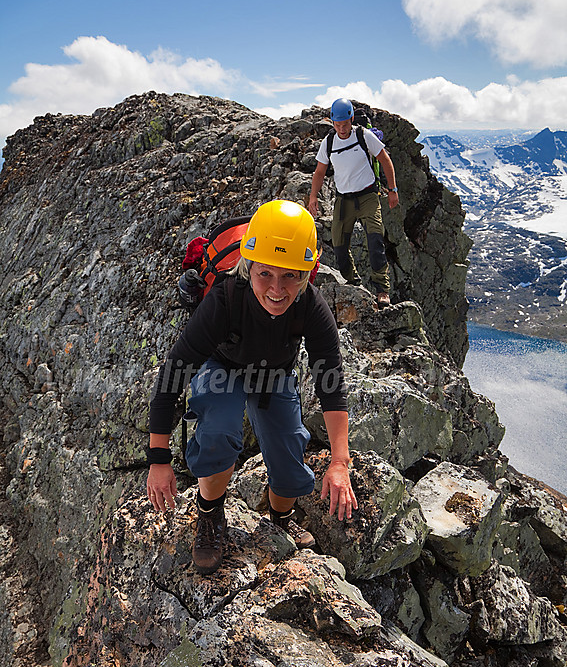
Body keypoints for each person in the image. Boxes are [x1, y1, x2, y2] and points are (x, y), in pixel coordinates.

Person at [146, 199, 358, 575]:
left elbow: (331, 382)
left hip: (273, 373)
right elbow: (172, 376)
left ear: (307, 273)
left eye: (290, 275)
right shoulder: (225, 299)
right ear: (249, 267)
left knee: (290, 454)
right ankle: (210, 515)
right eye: (265, 274)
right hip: (222, 366)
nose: (277, 289)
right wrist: (159, 460)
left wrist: (340, 462)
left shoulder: (310, 305)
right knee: (218, 428)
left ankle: (280, 520)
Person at [309, 98, 399, 306]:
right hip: (344, 199)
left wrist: (393, 189)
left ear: (351, 119)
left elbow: (385, 160)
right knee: (339, 246)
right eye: (337, 125)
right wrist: (313, 196)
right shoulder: (329, 143)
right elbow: (319, 172)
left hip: (368, 195)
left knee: (375, 239)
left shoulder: (363, 135)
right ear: (332, 122)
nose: (342, 129)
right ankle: (353, 281)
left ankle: (382, 290)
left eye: (345, 124)